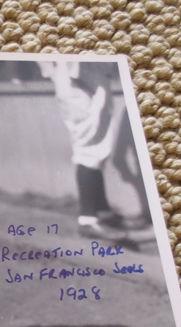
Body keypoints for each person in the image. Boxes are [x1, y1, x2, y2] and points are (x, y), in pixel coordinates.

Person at [38, 61, 128, 240]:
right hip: (81, 82)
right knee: (89, 150)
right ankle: (88, 220)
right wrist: (59, 74)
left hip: (83, 80)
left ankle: (102, 211)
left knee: (97, 148)